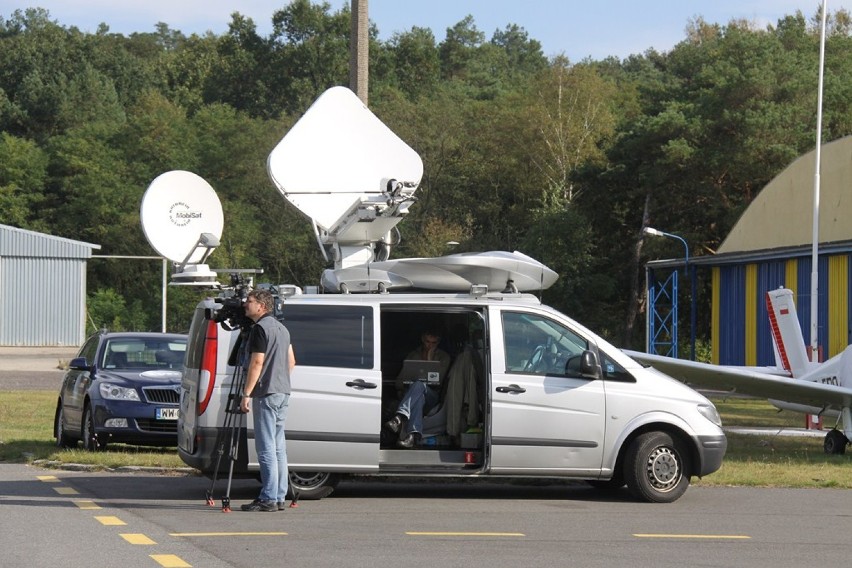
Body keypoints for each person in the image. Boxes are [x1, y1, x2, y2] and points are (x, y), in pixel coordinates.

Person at [239, 289, 296, 512]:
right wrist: (279, 377)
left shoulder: (260, 329)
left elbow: (256, 363)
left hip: (266, 393)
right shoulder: (283, 329)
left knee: (265, 447)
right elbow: (292, 361)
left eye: (250, 301)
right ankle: (279, 495)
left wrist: (246, 394)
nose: (245, 304)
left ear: (262, 306)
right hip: (283, 391)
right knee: (278, 447)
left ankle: (268, 497)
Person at [385, 329, 450, 448]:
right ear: (422, 340)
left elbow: (438, 381)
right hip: (413, 396)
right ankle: (412, 437)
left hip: (432, 396)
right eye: (427, 342)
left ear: (438, 342)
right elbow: (398, 382)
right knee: (418, 398)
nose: (430, 345)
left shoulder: (444, 357)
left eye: (433, 343)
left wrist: (430, 360)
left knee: (419, 385)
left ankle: (399, 417)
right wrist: (408, 386)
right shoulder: (413, 355)